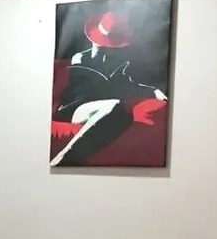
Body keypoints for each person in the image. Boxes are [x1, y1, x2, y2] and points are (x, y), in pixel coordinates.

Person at [51, 11, 167, 166]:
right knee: (115, 106)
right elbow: (80, 89)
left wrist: (153, 91)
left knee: (119, 111)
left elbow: (129, 84)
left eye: (110, 45)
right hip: (74, 108)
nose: (105, 48)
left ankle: (67, 159)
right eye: (102, 44)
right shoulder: (80, 58)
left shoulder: (119, 64)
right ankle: (65, 159)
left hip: (103, 106)